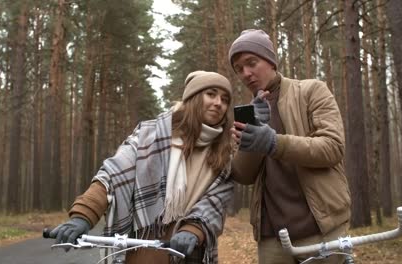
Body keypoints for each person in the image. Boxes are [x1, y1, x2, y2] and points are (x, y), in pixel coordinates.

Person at [48, 70, 235, 264]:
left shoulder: (224, 151)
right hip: (144, 250)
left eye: (225, 99)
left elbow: (216, 202)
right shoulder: (150, 134)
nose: (218, 103)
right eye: (211, 94)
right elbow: (113, 174)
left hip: (190, 252)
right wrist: (83, 215)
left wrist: (193, 230)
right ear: (194, 98)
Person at [228, 29, 351, 264]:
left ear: (271, 60)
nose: (246, 73)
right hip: (272, 239)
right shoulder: (249, 113)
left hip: (322, 229)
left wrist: (275, 142)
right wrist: (251, 139)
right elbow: (243, 175)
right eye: (239, 69)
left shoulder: (312, 90)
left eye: (251, 62)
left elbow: (333, 147)